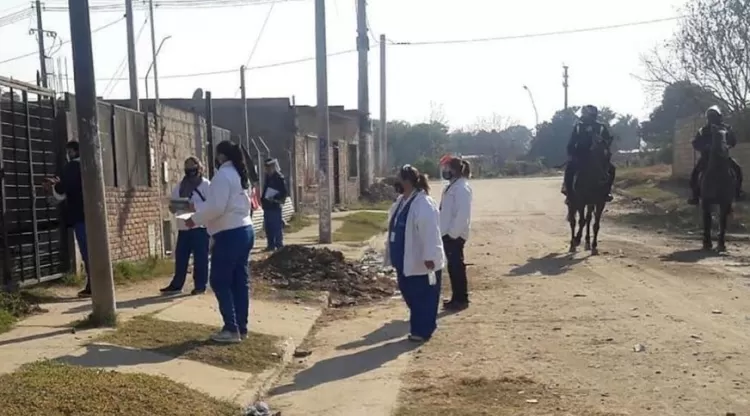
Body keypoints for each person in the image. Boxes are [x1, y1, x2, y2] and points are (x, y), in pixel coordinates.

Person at [185, 140, 254, 343]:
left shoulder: (222, 176)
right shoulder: (239, 175)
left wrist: (194, 219)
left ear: (221, 156)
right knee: (239, 281)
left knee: (219, 280)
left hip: (230, 232)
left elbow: (216, 207)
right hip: (244, 229)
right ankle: (241, 326)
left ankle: (231, 329)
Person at [384, 165, 445, 342]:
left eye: (399, 180)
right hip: (403, 259)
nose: (396, 183)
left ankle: (423, 329)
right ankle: (422, 324)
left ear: (408, 181)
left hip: (421, 260)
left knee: (423, 295)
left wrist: (430, 256)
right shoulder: (401, 202)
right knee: (408, 292)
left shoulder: (423, 203)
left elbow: (430, 232)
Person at [43, 141, 90, 298]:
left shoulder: (72, 167)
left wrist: (54, 186)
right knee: (94, 249)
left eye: (69, 152)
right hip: (93, 215)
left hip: (80, 215)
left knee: (86, 250)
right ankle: (98, 282)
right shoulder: (90, 164)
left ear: (74, 151)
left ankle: (92, 285)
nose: (67, 155)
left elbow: (64, 190)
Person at [160, 157, 211, 296]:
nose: (190, 171)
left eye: (193, 168)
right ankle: (177, 284)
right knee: (181, 257)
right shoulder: (181, 185)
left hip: (199, 227)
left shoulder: (206, 185)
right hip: (184, 227)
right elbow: (174, 201)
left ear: (199, 168)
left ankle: (200, 285)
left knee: (200, 258)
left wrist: (195, 207)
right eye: (187, 168)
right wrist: (173, 207)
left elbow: (211, 205)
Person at [687, 105, 744, 205]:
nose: (712, 119)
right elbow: (696, 143)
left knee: (737, 169)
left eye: (714, 116)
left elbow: (733, 141)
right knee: (694, 175)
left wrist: (727, 146)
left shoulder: (726, 128)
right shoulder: (703, 130)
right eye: (710, 117)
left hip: (723, 157)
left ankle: (737, 192)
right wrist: (705, 147)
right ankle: (695, 197)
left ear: (719, 117)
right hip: (706, 158)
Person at [562, 105, 616, 203]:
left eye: (590, 115)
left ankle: (607, 192)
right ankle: (569, 194)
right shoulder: (578, 126)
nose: (587, 117)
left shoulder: (601, 127)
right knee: (569, 170)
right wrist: (571, 154)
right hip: (580, 156)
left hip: (598, 157)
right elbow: (571, 143)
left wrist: (603, 142)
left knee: (612, 170)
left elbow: (608, 141)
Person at [439, 157, 473, 311]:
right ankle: (456, 297)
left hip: (455, 235)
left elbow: (462, 215)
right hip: (447, 233)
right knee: (453, 267)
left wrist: (452, 234)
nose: (444, 171)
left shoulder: (462, 188)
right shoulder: (452, 186)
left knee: (457, 267)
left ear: (453, 170)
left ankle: (461, 299)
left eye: (446, 168)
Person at [261, 158, 288, 251]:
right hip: (267, 206)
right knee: (268, 227)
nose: (267, 169)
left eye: (269, 167)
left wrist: (276, 198)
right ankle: (270, 245)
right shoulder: (268, 177)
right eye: (266, 167)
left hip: (275, 206)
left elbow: (284, 192)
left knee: (276, 226)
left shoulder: (279, 178)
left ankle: (279, 245)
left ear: (273, 167)